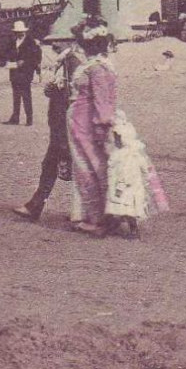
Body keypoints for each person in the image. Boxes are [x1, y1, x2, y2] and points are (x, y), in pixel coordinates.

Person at [14, 39, 84, 222]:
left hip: (65, 124)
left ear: (69, 41)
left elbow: (74, 95)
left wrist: (56, 92)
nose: (54, 44)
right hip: (60, 123)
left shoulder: (72, 62)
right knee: (55, 165)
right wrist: (51, 90)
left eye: (58, 40)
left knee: (54, 164)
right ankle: (37, 205)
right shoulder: (64, 61)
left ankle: (36, 205)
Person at [66, 26, 118, 233]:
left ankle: (98, 218)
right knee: (92, 166)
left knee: (90, 166)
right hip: (82, 121)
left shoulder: (97, 68)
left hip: (86, 123)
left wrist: (100, 126)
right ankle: (98, 214)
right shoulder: (99, 66)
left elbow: (102, 100)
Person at [102, 110, 169, 237]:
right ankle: (116, 225)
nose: (115, 140)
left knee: (126, 210)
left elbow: (125, 173)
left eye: (117, 138)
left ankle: (131, 229)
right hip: (127, 187)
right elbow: (145, 167)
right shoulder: (132, 152)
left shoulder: (125, 156)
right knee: (120, 209)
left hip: (124, 188)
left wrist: (120, 185)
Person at [5, 20, 42, 126]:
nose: (19, 33)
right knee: (16, 96)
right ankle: (15, 118)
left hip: (25, 72)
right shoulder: (13, 42)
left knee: (26, 95)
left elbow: (37, 57)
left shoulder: (31, 42)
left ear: (24, 31)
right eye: (17, 32)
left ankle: (29, 119)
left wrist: (25, 62)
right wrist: (9, 61)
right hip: (14, 72)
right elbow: (7, 53)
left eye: (20, 31)